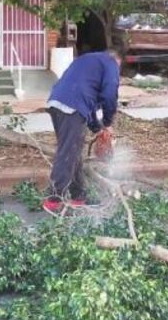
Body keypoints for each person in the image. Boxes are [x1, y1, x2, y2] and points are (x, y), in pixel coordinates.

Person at [43, 49, 121, 213]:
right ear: (117, 60)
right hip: (73, 106)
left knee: (73, 151)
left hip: (56, 102)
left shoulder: (87, 60)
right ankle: (54, 200)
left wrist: (97, 128)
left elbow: (88, 102)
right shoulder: (110, 63)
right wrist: (107, 122)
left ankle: (78, 196)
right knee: (68, 152)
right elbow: (109, 94)